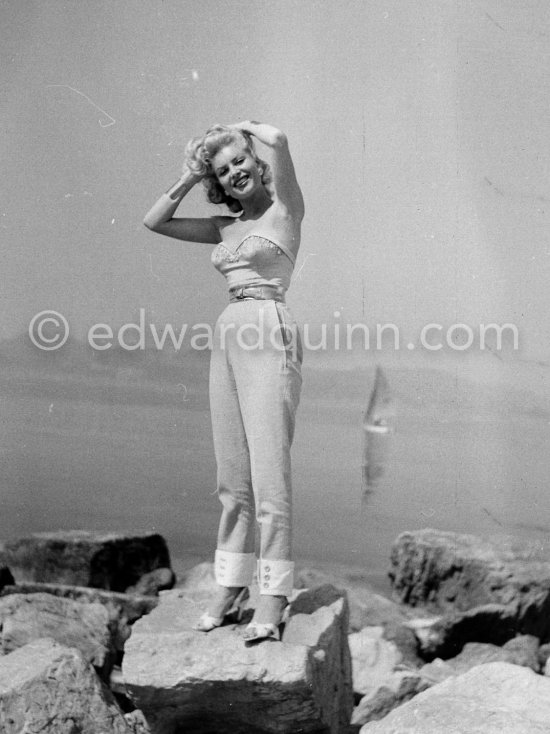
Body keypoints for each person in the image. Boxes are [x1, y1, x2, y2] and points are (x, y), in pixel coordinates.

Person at [143, 121, 304, 644]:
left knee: (269, 477)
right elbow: (154, 220)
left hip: (267, 328)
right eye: (222, 169)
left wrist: (242, 130)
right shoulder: (221, 227)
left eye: (240, 161)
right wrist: (190, 175)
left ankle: (273, 595)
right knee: (232, 477)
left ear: (255, 164)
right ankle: (231, 584)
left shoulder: (285, 211)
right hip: (229, 333)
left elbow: (277, 140)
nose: (235, 172)